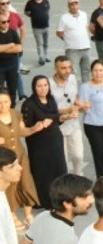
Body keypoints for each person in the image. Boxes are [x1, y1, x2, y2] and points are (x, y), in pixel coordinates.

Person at [22, 75, 66, 209]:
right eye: (39, 86)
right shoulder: (29, 104)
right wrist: (38, 125)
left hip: (55, 141)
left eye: (45, 85)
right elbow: (25, 127)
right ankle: (44, 201)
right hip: (39, 145)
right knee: (43, 173)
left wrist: (65, 117)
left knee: (58, 169)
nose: (43, 89)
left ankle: (59, 198)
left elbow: (56, 118)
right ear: (34, 88)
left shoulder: (51, 99)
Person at [0, 88, 39, 229]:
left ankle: (29, 214)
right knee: (9, 186)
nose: (2, 105)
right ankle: (12, 214)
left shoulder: (16, 114)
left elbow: (22, 131)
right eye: (0, 103)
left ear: (10, 101)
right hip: (4, 159)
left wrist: (34, 128)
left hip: (20, 154)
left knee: (26, 181)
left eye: (5, 101)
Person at [77, 60, 103, 178]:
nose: (98, 73)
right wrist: (83, 106)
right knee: (99, 153)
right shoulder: (85, 87)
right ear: (91, 72)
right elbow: (82, 107)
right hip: (93, 125)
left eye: (101, 70)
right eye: (95, 70)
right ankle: (101, 179)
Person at [49, 56, 83, 174]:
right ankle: (66, 184)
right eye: (63, 68)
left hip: (73, 124)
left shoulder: (72, 78)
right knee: (62, 160)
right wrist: (67, 111)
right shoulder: (48, 85)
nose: (68, 71)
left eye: (69, 67)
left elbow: (74, 97)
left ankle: (79, 178)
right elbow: (48, 110)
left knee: (78, 156)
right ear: (56, 69)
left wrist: (80, 104)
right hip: (58, 127)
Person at [56, 0, 91, 83]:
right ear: (68, 6)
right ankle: (73, 90)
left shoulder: (84, 14)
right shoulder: (64, 18)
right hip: (72, 49)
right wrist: (68, 39)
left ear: (79, 5)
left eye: (76, 4)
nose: (74, 6)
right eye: (72, 4)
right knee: (72, 72)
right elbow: (59, 33)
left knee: (86, 70)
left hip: (86, 47)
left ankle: (86, 89)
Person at [0, 10, 22, 105]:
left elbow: (19, 48)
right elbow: (14, 46)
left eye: (8, 21)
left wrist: (3, 49)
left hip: (12, 65)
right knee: (0, 88)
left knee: (12, 87)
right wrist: (11, 45)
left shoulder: (13, 32)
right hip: (0, 66)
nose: (7, 23)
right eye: (3, 22)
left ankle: (12, 105)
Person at [24, 0, 50, 66]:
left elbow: (48, 9)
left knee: (46, 43)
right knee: (39, 43)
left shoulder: (45, 1)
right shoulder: (30, 3)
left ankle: (45, 56)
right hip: (36, 27)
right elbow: (26, 12)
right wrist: (33, 15)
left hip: (46, 26)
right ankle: (41, 57)